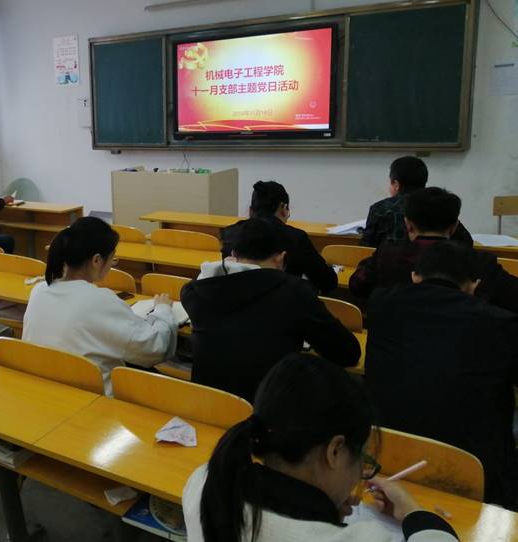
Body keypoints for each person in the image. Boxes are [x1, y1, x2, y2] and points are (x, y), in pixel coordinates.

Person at [183, 354, 458, 542]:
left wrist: (323, 511)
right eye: (361, 458)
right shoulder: (364, 538)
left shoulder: (205, 483)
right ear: (334, 451)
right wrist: (412, 511)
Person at [365, 242, 518, 508]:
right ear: (473, 285)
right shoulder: (499, 324)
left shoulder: (381, 304)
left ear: (415, 276)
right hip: (474, 468)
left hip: (388, 452)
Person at [181, 217, 360, 401]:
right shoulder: (294, 292)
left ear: (233, 254)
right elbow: (348, 353)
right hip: (267, 409)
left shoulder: (196, 292)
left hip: (207, 405)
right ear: (280, 258)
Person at [22, 216, 177, 395]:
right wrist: (163, 311)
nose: (112, 264)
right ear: (96, 260)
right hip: (90, 398)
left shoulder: (40, 290)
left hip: (44, 390)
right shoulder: (99, 300)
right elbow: (153, 348)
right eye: (112, 258)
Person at [350, 187, 518, 313]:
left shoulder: (387, 254)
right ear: (454, 227)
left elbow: (357, 285)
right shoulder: (480, 262)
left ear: (408, 224)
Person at [221, 180, 337, 293]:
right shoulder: (296, 237)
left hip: (239, 300)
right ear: (283, 208)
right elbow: (328, 282)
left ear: (251, 210)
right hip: (283, 301)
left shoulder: (230, 233)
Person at [360, 156, 471, 248]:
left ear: (396, 184)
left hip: (389, 265)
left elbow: (366, 247)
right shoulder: (438, 204)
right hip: (435, 263)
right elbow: (466, 242)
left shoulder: (380, 208)